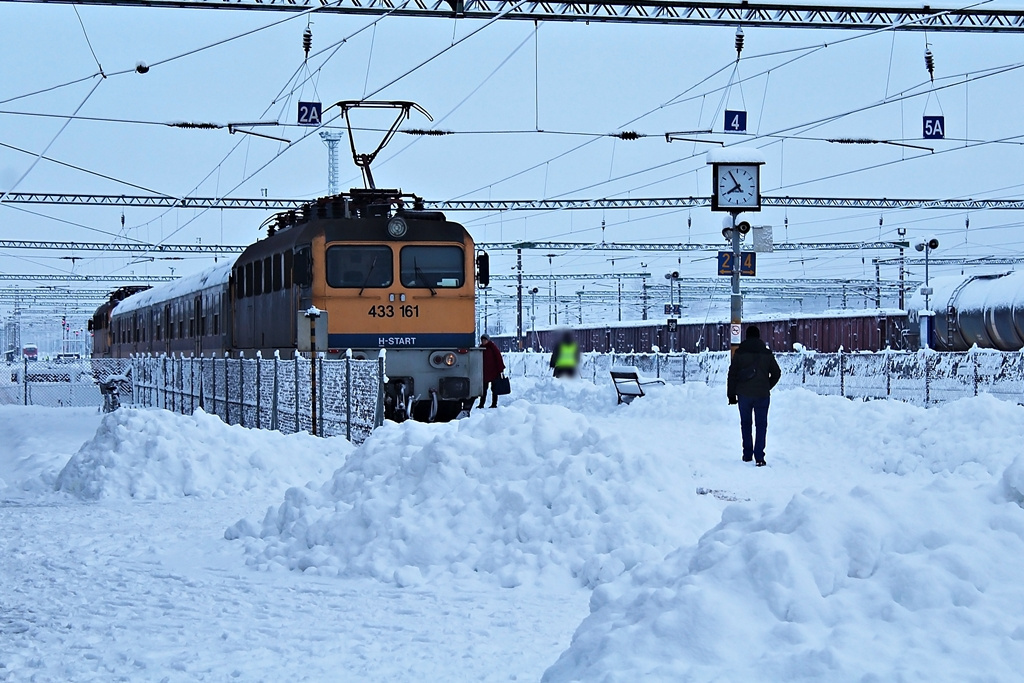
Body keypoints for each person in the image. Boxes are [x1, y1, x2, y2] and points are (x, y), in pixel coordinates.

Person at [727, 325, 782, 467]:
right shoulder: (767, 353)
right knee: (761, 425)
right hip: (762, 395)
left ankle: (747, 454)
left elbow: (732, 374)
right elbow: (777, 373)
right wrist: (767, 386)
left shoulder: (739, 353)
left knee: (745, 424)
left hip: (744, 395)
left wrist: (731, 395)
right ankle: (759, 457)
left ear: (746, 336)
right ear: (758, 337)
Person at [478, 334, 505, 408]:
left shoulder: (492, 347)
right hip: (485, 373)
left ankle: (494, 404)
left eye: (485, 340)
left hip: (494, 372)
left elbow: (498, 358)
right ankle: (481, 404)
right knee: (483, 390)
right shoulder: (481, 348)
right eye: (482, 340)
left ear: (488, 340)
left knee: (494, 389)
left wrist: (500, 369)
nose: (483, 341)